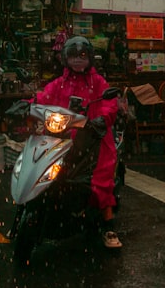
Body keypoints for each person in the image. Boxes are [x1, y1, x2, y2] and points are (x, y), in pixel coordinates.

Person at [36, 35, 122, 249]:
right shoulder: (59, 84)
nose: (77, 60)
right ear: (65, 58)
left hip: (95, 140)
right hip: (64, 140)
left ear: (90, 58)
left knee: (102, 181)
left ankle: (109, 226)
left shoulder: (98, 82)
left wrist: (102, 119)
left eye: (82, 56)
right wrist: (27, 106)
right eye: (73, 56)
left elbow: (110, 103)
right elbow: (43, 98)